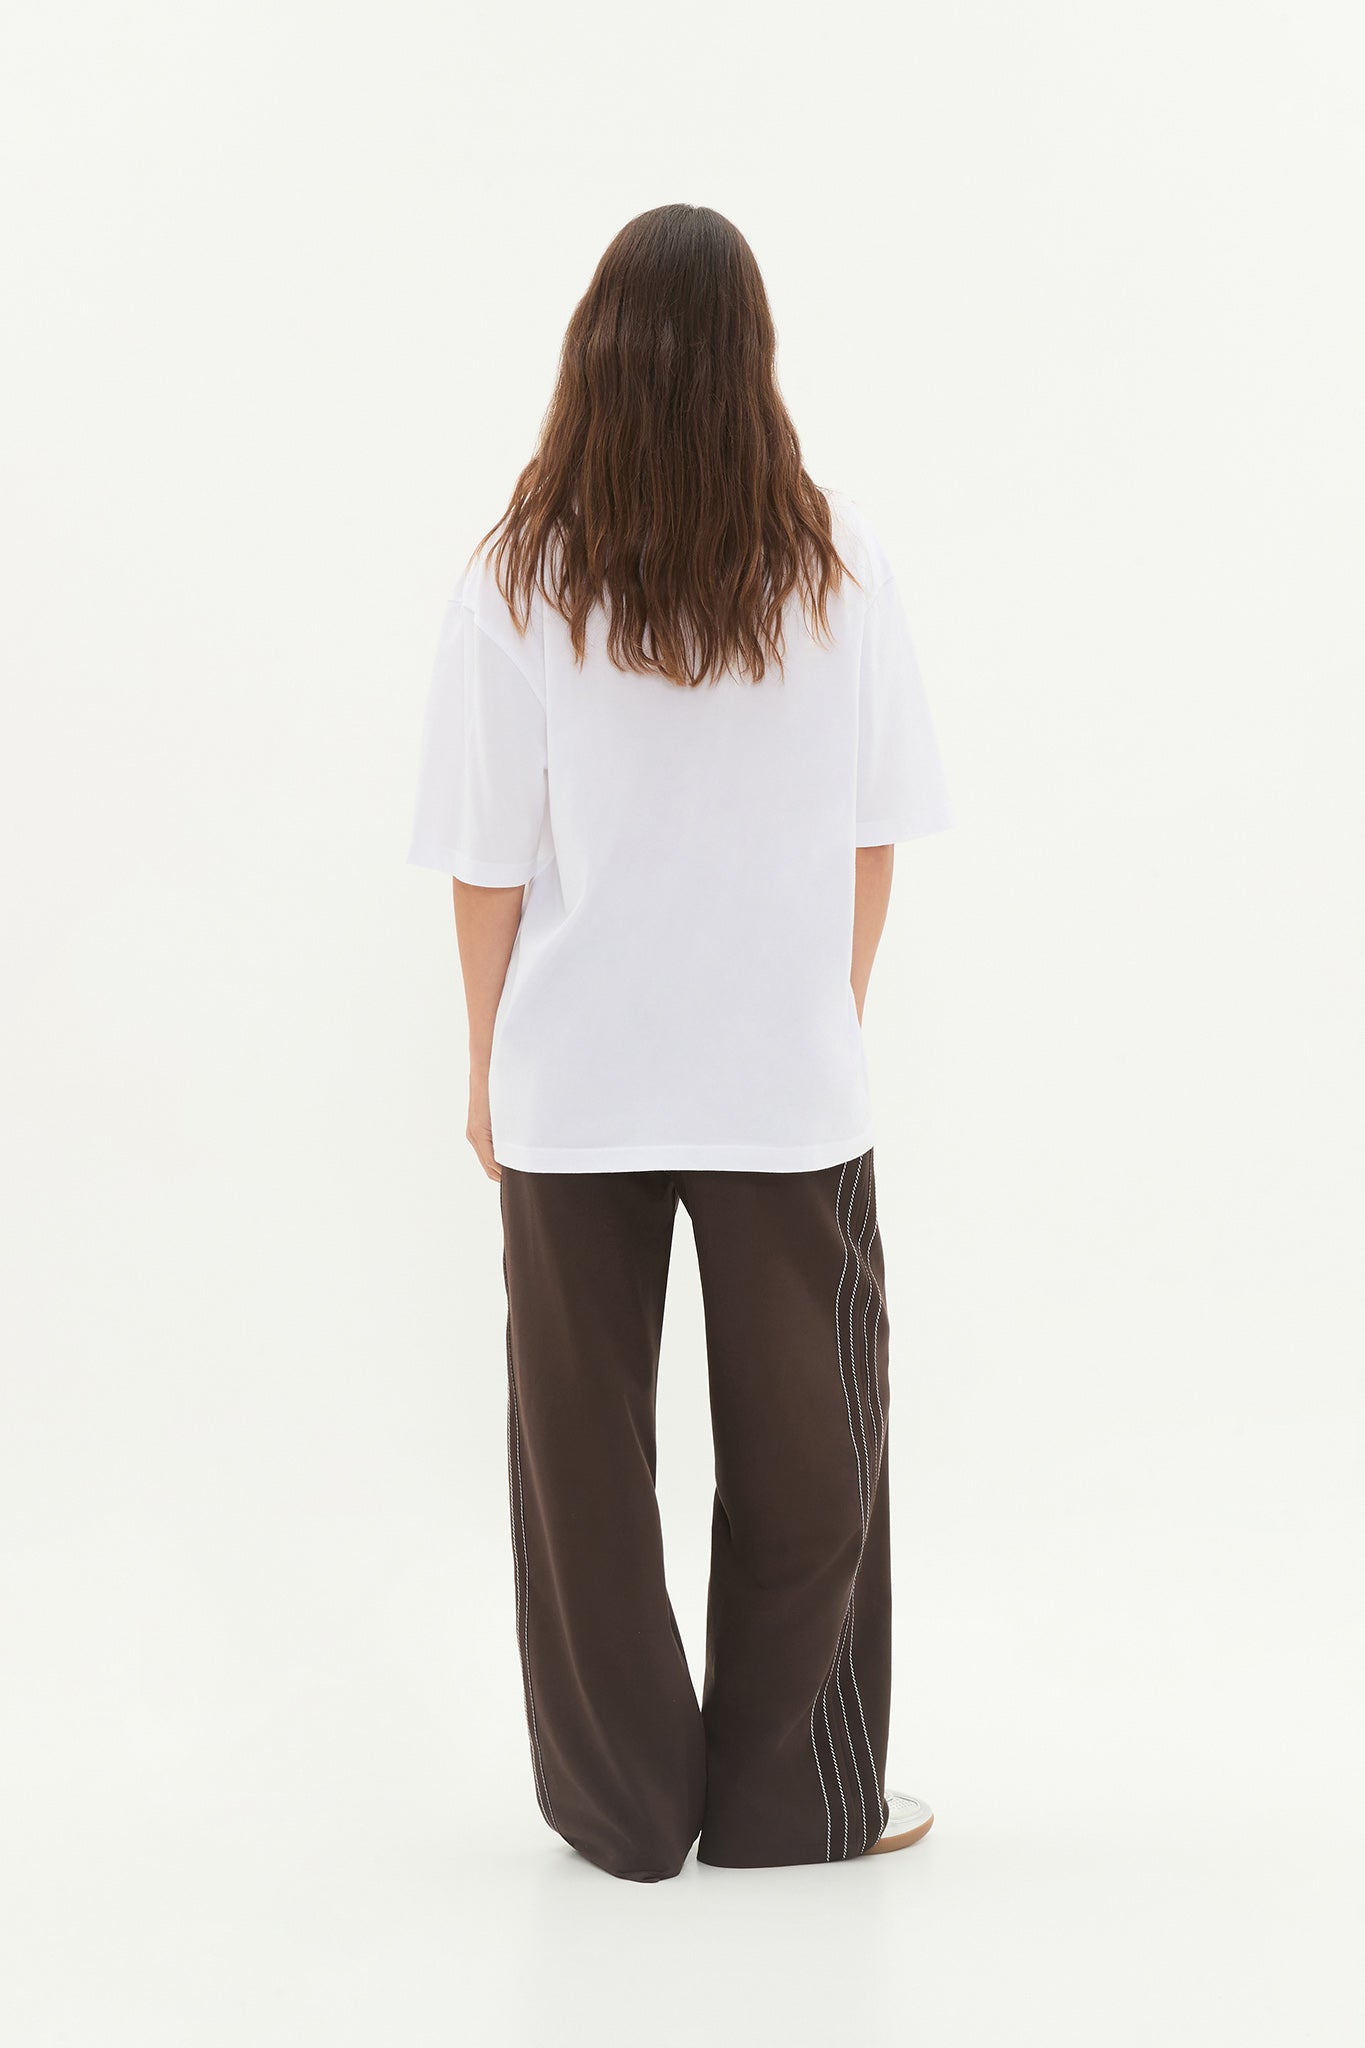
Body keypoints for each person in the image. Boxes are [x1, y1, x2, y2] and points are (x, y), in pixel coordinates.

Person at [408, 203, 951, 1882]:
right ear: (753, 362)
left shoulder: (518, 576)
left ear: (594, 356)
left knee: (578, 1462)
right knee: (815, 1460)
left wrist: (485, 1060)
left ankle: (622, 1814)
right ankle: (796, 1805)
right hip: (784, 1086)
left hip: (574, 1082)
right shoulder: (837, 564)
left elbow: (486, 861)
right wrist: (816, 1010)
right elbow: (874, 833)